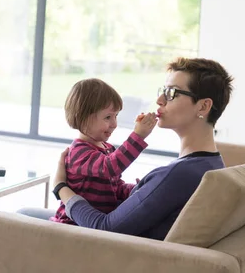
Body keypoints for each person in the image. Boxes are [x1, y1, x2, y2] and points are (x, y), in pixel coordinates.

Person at [52, 57, 233, 240]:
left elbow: (104, 228)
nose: (160, 100)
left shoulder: (178, 175)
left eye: (171, 93)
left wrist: (61, 189)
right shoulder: (211, 163)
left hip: (96, 242)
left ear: (203, 106)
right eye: (163, 91)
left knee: (24, 215)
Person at [50, 78, 158, 224]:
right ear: (83, 118)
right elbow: (110, 167)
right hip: (71, 226)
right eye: (107, 117)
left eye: (116, 116)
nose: (114, 124)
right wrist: (138, 136)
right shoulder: (78, 152)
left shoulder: (107, 148)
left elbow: (115, 187)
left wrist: (136, 190)